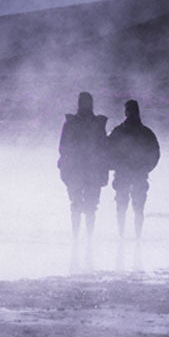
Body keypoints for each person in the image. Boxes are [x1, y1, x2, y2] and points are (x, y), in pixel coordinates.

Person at [57, 91, 109, 240]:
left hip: (77, 169)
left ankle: (78, 238)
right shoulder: (97, 124)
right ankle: (87, 238)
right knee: (89, 206)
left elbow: (62, 147)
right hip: (89, 170)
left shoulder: (71, 123)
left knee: (77, 205)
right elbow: (104, 148)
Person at [108, 99, 160, 240]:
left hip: (127, 173)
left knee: (124, 206)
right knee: (135, 207)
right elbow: (155, 153)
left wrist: (115, 165)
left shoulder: (119, 131)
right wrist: (146, 168)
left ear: (126, 111)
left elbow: (107, 150)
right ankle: (133, 235)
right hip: (136, 174)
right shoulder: (146, 132)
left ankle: (124, 235)